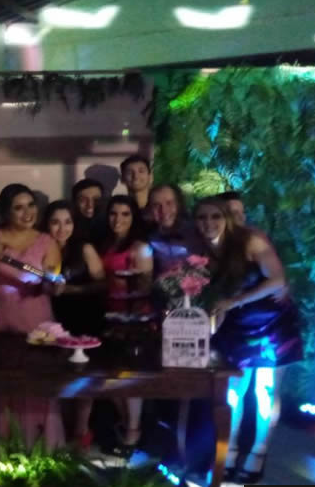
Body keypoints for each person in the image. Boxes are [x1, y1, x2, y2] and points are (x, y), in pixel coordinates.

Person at [193, 196, 303, 484]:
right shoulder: (203, 250)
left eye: (215, 216)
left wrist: (235, 301)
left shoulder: (250, 240)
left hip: (272, 325)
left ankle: (258, 451)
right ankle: (228, 450)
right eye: (202, 217)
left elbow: (277, 281)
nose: (208, 223)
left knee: (265, 391)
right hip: (235, 328)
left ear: (226, 219)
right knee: (233, 391)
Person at [0, 184, 64, 449]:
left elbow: (52, 279)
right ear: (6, 211)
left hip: (35, 317)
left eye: (31, 205)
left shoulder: (46, 240)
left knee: (37, 381)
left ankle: (39, 448)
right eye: (18, 207)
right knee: (1, 383)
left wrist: (54, 283)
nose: (27, 213)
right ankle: (1, 448)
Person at [41, 200, 105, 449]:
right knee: (56, 375)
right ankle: (57, 432)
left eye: (67, 222)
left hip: (83, 316)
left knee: (83, 375)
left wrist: (71, 289)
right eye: (55, 222)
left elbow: (101, 283)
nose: (62, 228)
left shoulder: (84, 248)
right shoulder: (41, 246)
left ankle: (81, 430)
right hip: (50, 317)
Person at [98, 195, 153, 453]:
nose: (118, 219)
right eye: (113, 213)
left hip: (133, 320)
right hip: (110, 316)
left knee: (129, 378)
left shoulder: (139, 247)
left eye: (125, 214)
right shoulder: (108, 244)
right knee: (109, 378)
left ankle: (133, 431)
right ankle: (127, 426)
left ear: (133, 218)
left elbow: (145, 286)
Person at [147, 183, 198, 279]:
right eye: (156, 205)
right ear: (150, 210)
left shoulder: (198, 231)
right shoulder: (149, 238)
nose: (163, 210)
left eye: (169, 203)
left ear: (178, 205)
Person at [70, 178, 105, 243]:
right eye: (83, 200)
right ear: (74, 202)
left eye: (96, 200)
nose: (90, 205)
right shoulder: (67, 228)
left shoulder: (111, 226)